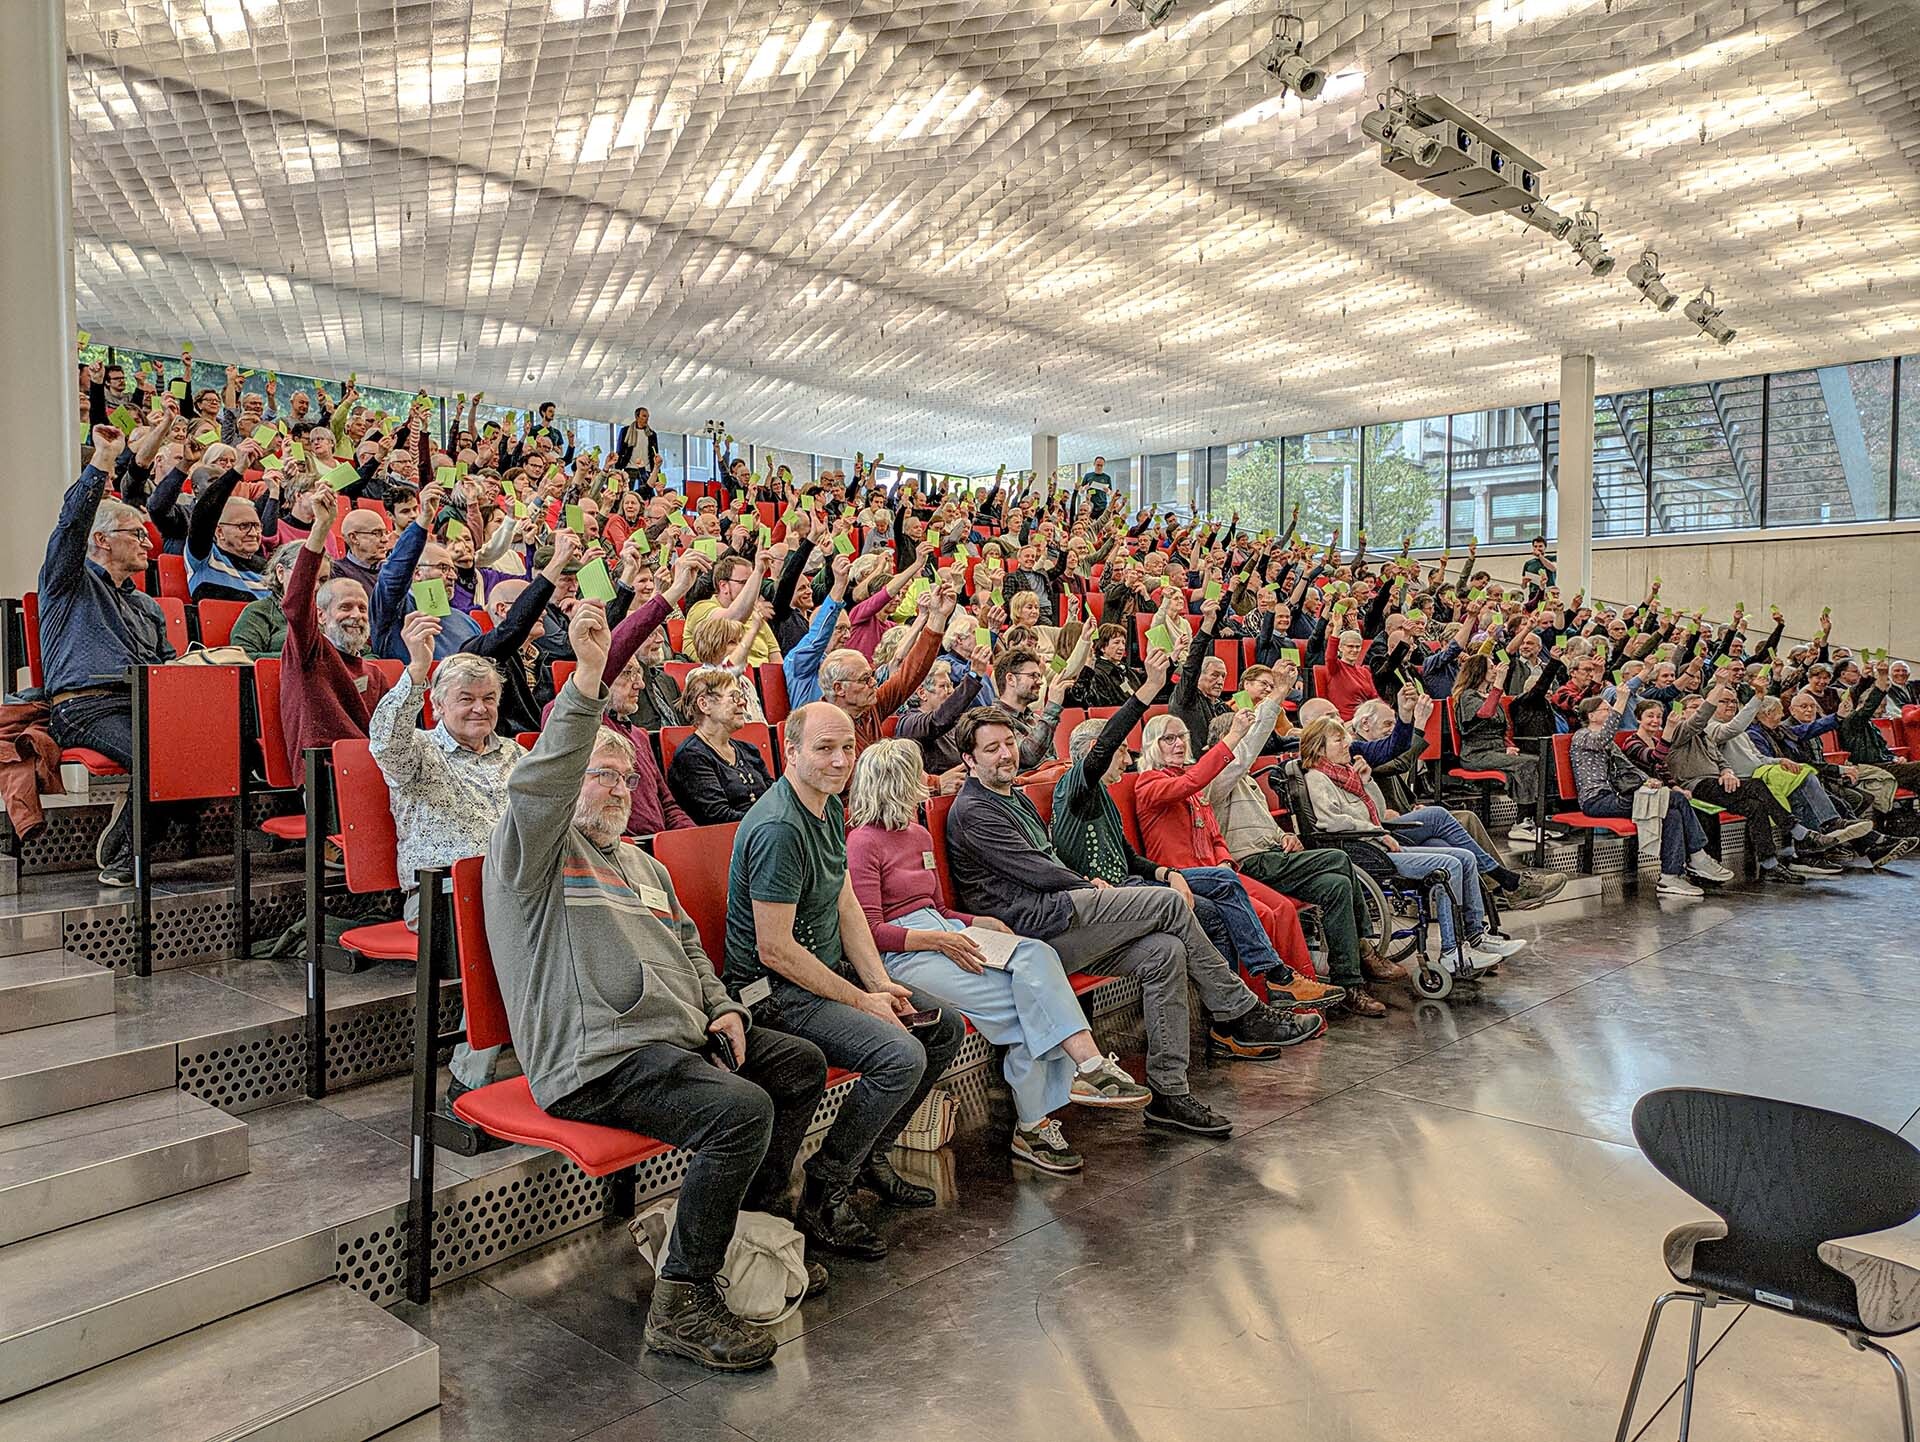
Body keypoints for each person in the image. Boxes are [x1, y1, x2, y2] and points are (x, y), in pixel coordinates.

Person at [486, 605, 829, 1372]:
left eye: (622, 777)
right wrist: (586, 683)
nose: (612, 790)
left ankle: (749, 1231)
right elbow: (540, 786)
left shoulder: (644, 864)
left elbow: (690, 952)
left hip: (673, 1043)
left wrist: (724, 1008)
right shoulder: (530, 854)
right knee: (741, 1112)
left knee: (797, 1064)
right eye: (595, 775)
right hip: (593, 1063)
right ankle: (682, 1298)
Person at [949, 706, 1318, 1140]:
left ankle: (1169, 1094)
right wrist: (1088, 884)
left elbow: (1061, 861)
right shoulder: (974, 810)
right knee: (1169, 905)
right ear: (969, 760)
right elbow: (1035, 871)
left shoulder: (1014, 797)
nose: (1006, 754)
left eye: (1009, 743)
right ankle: (1240, 1011)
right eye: (991, 749)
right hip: (1034, 932)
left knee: (1167, 951)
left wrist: (1134, 877)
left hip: (1065, 916)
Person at [722, 703, 967, 1260]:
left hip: (821, 975)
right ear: (791, 752)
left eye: (847, 749)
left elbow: (844, 899)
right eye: (824, 749)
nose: (838, 761)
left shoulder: (829, 806)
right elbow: (775, 950)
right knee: (901, 1056)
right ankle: (826, 1190)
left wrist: (880, 984)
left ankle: (869, 1159)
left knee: (940, 1027)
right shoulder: (781, 826)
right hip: (770, 993)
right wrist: (862, 999)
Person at [846, 740, 1149, 1175]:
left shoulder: (916, 834)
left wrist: (977, 921)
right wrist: (938, 940)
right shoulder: (863, 843)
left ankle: (1073, 1084)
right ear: (893, 782)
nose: (924, 785)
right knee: (1033, 1005)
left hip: (948, 932)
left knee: (1037, 960)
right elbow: (871, 933)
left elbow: (941, 909)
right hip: (907, 953)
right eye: (914, 776)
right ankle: (1045, 1113)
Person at [1135, 709, 1389, 1018]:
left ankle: (1318, 993)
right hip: (1185, 876)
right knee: (1291, 894)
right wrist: (1237, 734)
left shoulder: (1199, 784)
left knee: (1301, 900)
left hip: (1221, 872)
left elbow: (1215, 836)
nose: (1177, 744)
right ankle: (1264, 1002)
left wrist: (1226, 862)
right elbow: (1195, 779)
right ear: (1151, 745)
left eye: (1182, 737)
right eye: (1168, 739)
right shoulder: (1149, 783)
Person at [370, 614, 525, 1097]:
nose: (479, 709)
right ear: (436, 706)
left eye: (488, 699)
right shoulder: (416, 753)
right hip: (443, 897)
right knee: (511, 942)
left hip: (513, 891)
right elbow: (385, 740)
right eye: (466, 699)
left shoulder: (516, 756)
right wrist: (415, 672)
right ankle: (469, 1080)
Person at [40, 430, 177, 886]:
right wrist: (103, 460)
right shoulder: (69, 582)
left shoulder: (148, 606)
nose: (149, 544)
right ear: (101, 539)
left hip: (143, 705)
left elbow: (169, 666)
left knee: (205, 757)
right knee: (163, 756)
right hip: (84, 707)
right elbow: (70, 525)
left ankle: (122, 834)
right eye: (136, 534)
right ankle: (126, 858)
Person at [1297, 716, 1525, 975]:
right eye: (1339, 740)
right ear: (1319, 747)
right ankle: (1452, 952)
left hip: (1376, 843)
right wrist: (1379, 833)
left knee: (1465, 857)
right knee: (1449, 864)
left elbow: (1378, 813)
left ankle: (1475, 935)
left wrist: (1367, 782)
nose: (1347, 744)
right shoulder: (1317, 778)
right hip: (1363, 851)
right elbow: (1331, 822)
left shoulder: (1344, 775)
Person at [1567, 697, 1734, 896]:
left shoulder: (1609, 742)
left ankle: (1670, 877)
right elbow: (1603, 739)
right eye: (1606, 709)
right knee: (1676, 799)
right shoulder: (1583, 735)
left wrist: (1646, 780)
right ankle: (1697, 856)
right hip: (1597, 800)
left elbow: (1628, 767)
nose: (1611, 712)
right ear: (1591, 716)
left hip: (1618, 796)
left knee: (1673, 812)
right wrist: (1620, 705)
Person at [277, 488, 388, 769]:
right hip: (325, 778)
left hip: (375, 772)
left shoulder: (375, 674)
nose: (356, 616)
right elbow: (296, 603)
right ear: (321, 616)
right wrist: (321, 528)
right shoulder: (309, 653)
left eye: (362, 609)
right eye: (345, 607)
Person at [1452, 651, 1543, 843]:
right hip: (1476, 753)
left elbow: (1502, 729)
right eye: (1491, 667)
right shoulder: (1468, 696)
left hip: (1495, 750)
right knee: (1526, 764)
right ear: (1479, 671)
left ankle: (1532, 819)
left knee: (1537, 761)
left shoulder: (1490, 695)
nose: (1495, 670)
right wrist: (1499, 684)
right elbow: (1485, 713)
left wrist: (1507, 747)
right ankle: (1521, 823)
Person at [668, 668, 777, 824]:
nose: (743, 702)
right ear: (704, 704)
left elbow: (775, 797)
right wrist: (772, 819)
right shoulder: (691, 756)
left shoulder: (749, 750)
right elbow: (718, 816)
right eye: (734, 696)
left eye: (741, 696)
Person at [228, 541, 304, 659]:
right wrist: (299, 658)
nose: (316, 586)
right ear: (281, 573)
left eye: (323, 579)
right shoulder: (260, 611)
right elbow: (243, 657)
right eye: (305, 575)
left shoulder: (330, 611)